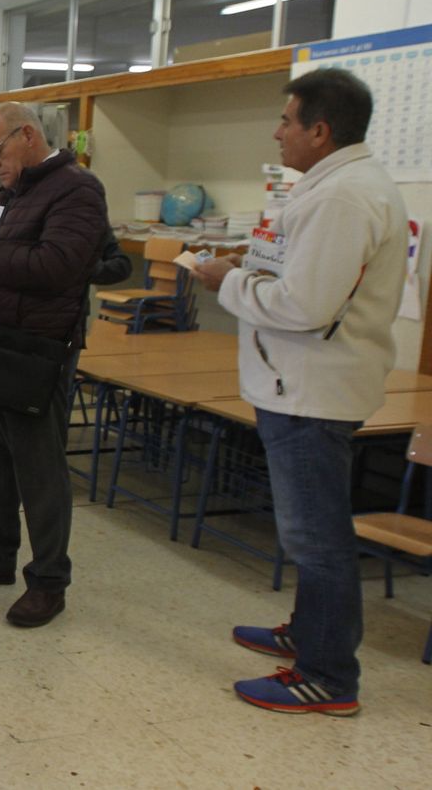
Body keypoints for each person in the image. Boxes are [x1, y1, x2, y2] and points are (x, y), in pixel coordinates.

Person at [193, 69, 405, 717]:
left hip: (312, 391)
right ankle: (307, 632)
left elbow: (306, 306)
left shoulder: (344, 198)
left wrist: (224, 281)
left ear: (319, 130)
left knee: (318, 537)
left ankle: (328, 673)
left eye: (287, 121)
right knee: (313, 529)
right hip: (299, 384)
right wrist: (247, 266)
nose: (277, 131)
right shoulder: (335, 186)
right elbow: (299, 273)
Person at [0, 102, 107, 628]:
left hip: (32, 352)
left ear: (27, 135)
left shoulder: (77, 190)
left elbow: (57, 267)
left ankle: (49, 579)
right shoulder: (4, 196)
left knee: (40, 472)